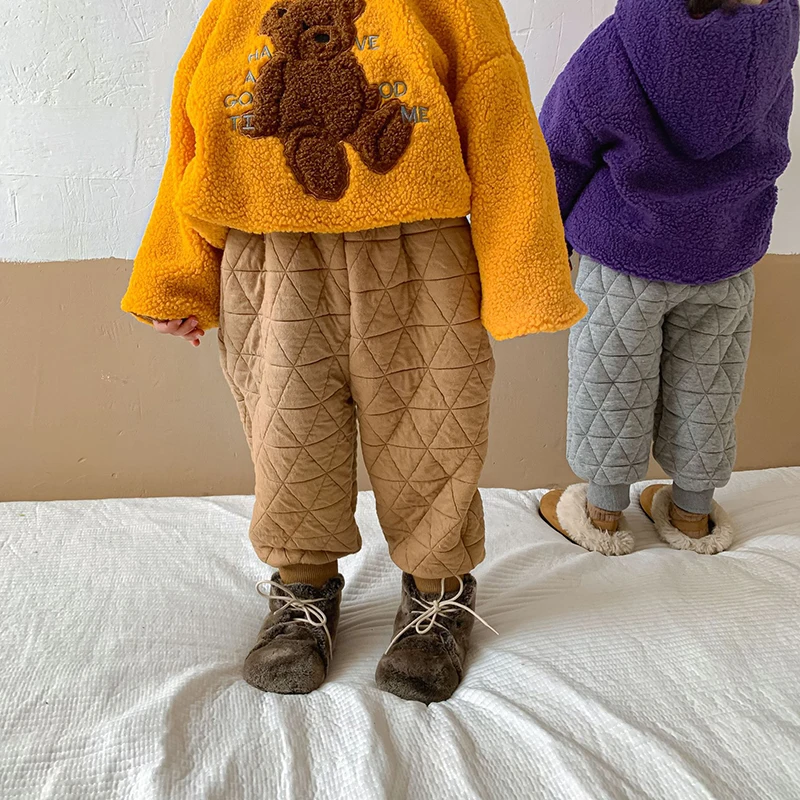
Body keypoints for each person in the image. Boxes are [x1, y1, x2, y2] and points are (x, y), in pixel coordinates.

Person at [122, 0, 586, 702]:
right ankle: (302, 590)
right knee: (288, 433)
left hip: (420, 248)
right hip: (270, 254)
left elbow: (502, 125)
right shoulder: (234, 9)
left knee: (434, 428)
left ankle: (437, 593)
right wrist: (177, 275)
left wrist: (524, 273)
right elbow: (193, 134)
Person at [538, 0, 798, 555]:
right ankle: (691, 515)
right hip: (724, 259)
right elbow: (769, 149)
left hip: (623, 255)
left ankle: (603, 515)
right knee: (709, 387)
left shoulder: (620, 42)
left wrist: (549, 237)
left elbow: (560, 146)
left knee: (611, 381)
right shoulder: (773, 47)